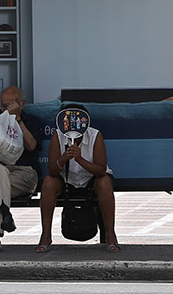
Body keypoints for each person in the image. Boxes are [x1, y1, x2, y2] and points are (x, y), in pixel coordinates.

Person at [36, 103, 120, 253]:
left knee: (105, 182)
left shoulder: (95, 135)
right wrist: (64, 158)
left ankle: (111, 235)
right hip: (67, 181)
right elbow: (52, 171)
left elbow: (101, 170)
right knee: (48, 183)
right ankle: (46, 235)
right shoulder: (58, 136)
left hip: (91, 179)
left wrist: (80, 159)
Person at [0, 86, 42, 253]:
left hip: (25, 174)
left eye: (11, 105)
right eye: (3, 106)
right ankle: (4, 215)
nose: (6, 110)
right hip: (1, 173)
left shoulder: (32, 121)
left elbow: (31, 146)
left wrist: (17, 119)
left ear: (21, 104)